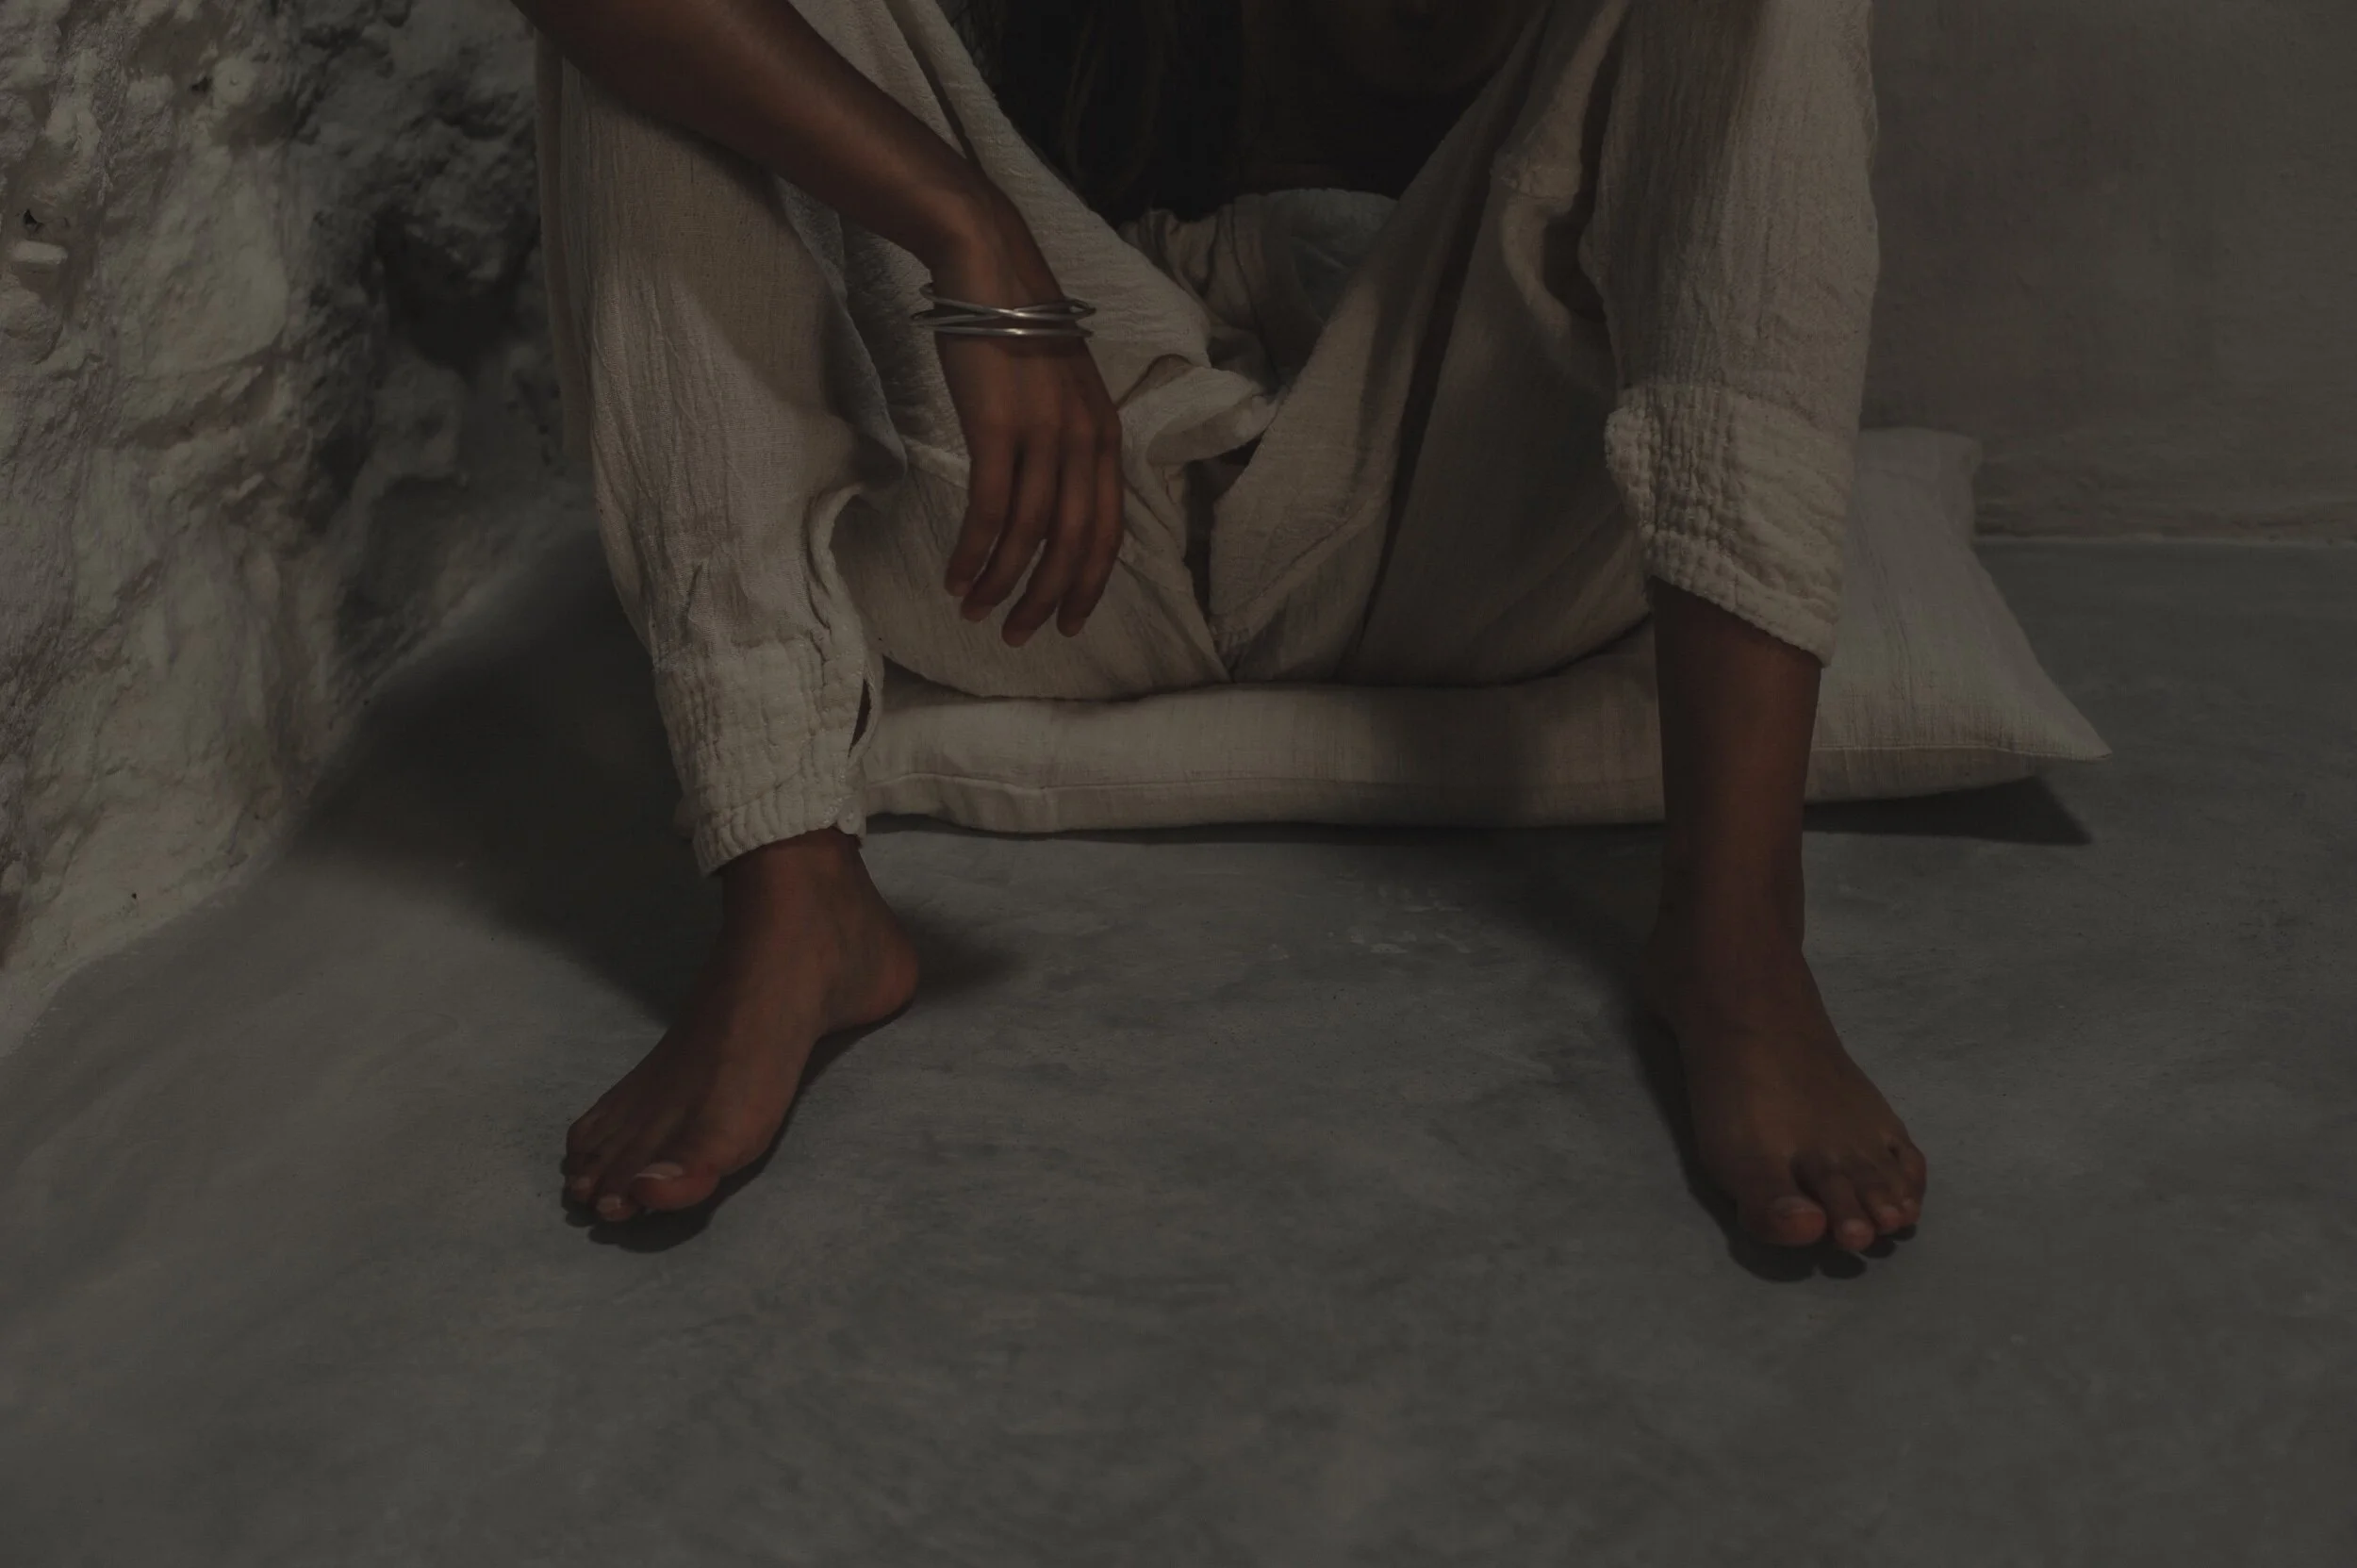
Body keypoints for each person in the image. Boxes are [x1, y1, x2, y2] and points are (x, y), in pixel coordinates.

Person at [517, 0, 1928, 1251]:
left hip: (1467, 503)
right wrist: (971, 235)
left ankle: (1740, 943)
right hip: (1034, 514)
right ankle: (795, 893)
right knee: (665, 37)